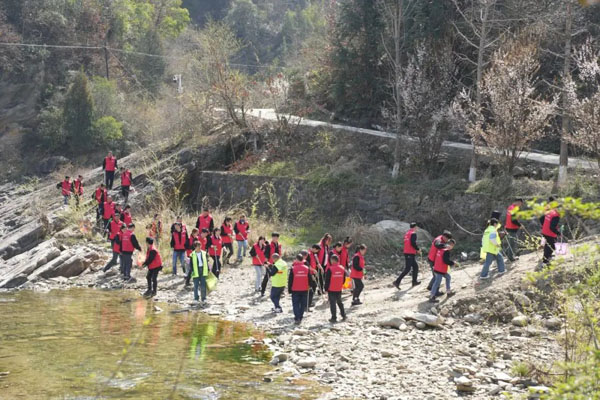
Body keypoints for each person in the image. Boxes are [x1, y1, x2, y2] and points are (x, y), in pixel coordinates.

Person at [393, 223, 421, 289]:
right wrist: (417, 249)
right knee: (407, 269)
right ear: (415, 227)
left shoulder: (407, 233)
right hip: (410, 253)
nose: (417, 228)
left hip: (407, 252)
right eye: (417, 227)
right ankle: (397, 282)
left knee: (415, 267)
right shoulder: (413, 233)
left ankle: (414, 281)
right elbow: (412, 243)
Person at [324, 254, 347, 323]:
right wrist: (340, 284)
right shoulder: (342, 268)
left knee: (333, 303)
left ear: (332, 260)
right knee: (340, 302)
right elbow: (344, 279)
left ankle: (334, 317)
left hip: (331, 289)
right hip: (339, 288)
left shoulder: (330, 269)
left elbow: (327, 280)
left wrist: (325, 289)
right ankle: (343, 315)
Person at [288, 254, 310, 325]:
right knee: (302, 304)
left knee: (295, 304)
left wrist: (289, 289)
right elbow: (309, 278)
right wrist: (310, 286)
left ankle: (297, 318)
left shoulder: (293, 268)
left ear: (297, 259)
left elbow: (290, 280)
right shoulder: (307, 268)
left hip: (295, 289)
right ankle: (300, 317)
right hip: (304, 289)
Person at [540, 197, 560, 266]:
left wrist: (544, 225)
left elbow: (541, 218)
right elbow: (552, 226)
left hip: (545, 229)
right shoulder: (555, 213)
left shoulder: (548, 209)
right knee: (551, 245)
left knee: (548, 245)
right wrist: (557, 232)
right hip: (549, 231)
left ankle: (547, 257)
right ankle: (545, 261)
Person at [188, 241, 209, 305]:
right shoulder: (192, 254)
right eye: (198, 246)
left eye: (200, 245)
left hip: (203, 270)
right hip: (195, 271)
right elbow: (191, 264)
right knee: (196, 286)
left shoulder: (204, 253)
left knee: (203, 285)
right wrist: (192, 271)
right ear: (195, 247)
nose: (199, 247)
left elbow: (207, 262)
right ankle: (196, 299)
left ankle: (204, 298)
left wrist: (208, 269)